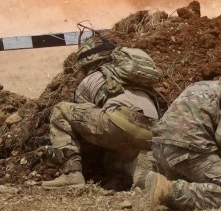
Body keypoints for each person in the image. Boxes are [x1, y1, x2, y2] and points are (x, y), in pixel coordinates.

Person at [146, 58, 221, 210]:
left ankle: (168, 187)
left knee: (200, 189)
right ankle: (167, 190)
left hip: (160, 147)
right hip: (188, 149)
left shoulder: (201, 85)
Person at [40, 35, 161, 189]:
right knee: (112, 157)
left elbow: (82, 126)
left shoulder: (90, 79)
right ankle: (136, 168)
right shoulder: (135, 79)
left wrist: (58, 149)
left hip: (119, 122)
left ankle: (72, 175)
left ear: (86, 64)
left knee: (61, 110)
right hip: (152, 132)